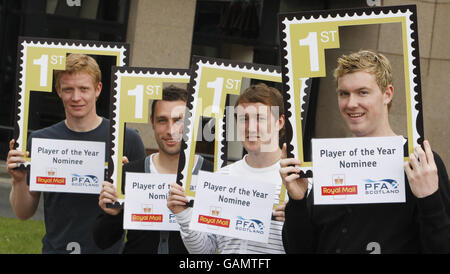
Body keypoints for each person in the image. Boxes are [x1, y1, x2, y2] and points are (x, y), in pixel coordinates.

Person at [280, 50, 450, 253]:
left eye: (363, 92)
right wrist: (298, 202)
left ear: (387, 94)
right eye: (344, 93)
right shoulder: (331, 161)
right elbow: (299, 250)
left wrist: (429, 200)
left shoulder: (420, 163)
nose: (351, 104)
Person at [6, 53, 145, 254]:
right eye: (68, 89)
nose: (76, 97)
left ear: (98, 89)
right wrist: (18, 180)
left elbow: (142, 212)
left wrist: (124, 192)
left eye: (84, 89)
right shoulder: (40, 140)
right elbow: (23, 213)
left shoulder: (126, 140)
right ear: (58, 91)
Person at [168, 83, 287, 254]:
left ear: (280, 122)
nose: (250, 128)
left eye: (260, 118)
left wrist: (297, 222)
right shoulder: (222, 178)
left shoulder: (297, 183)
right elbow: (205, 251)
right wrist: (183, 215)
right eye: (244, 118)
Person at [94, 85, 213, 253]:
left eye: (179, 120)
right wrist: (112, 214)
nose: (171, 131)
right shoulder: (130, 173)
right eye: (162, 120)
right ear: (152, 122)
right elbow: (102, 240)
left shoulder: (211, 176)